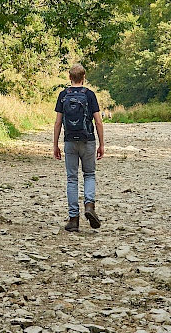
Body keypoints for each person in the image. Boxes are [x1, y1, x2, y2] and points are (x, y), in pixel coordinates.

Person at [53, 64, 104, 232]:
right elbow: (98, 121)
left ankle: (73, 219)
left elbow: (58, 122)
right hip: (87, 140)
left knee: (72, 179)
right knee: (89, 174)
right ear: (84, 77)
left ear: (69, 77)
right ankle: (89, 206)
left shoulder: (63, 95)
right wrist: (102, 144)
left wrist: (55, 145)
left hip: (69, 141)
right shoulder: (89, 95)